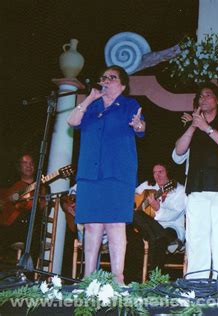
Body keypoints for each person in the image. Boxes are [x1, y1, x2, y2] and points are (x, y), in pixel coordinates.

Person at [66, 65, 145, 284]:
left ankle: (117, 278)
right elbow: (72, 121)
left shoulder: (130, 104)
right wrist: (90, 98)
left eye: (112, 77)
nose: (106, 80)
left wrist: (138, 125)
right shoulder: (92, 106)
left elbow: (140, 127)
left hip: (118, 174)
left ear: (122, 84)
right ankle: (88, 278)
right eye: (104, 77)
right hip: (91, 174)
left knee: (115, 224)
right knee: (91, 225)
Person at [172, 83, 218, 279]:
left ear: (217, 100)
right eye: (200, 97)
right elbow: (178, 152)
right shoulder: (191, 124)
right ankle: (196, 281)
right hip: (197, 187)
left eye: (208, 95)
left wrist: (206, 127)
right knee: (197, 238)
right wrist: (192, 126)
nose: (203, 99)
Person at [132, 163, 186, 271]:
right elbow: (131, 194)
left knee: (159, 240)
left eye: (161, 172)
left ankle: (154, 281)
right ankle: (154, 281)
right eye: (154, 173)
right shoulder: (148, 185)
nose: (157, 176)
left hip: (172, 227)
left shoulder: (180, 191)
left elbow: (174, 215)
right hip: (149, 227)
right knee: (132, 214)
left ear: (168, 172)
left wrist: (158, 209)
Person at [0, 154, 47, 257]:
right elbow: (5, 200)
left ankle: (27, 270)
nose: (29, 166)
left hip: (30, 227)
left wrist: (41, 203)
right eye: (25, 163)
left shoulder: (41, 187)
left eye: (31, 163)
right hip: (10, 226)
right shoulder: (12, 185)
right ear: (19, 167)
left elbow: (42, 209)